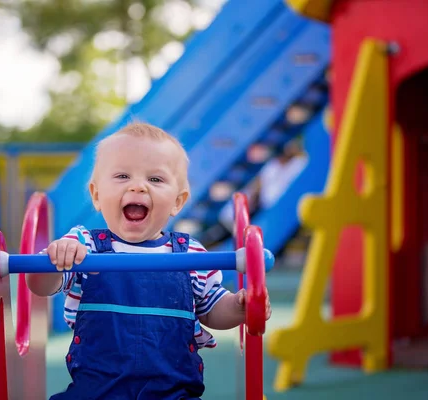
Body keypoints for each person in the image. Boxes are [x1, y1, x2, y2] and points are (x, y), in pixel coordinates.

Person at [26, 122, 272, 400]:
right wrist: (54, 260)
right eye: (122, 176)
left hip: (172, 393)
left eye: (155, 180)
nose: (138, 187)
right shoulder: (84, 245)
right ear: (96, 195)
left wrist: (239, 307)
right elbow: (40, 285)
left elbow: (212, 309)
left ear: (178, 201)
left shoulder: (190, 253)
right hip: (96, 393)